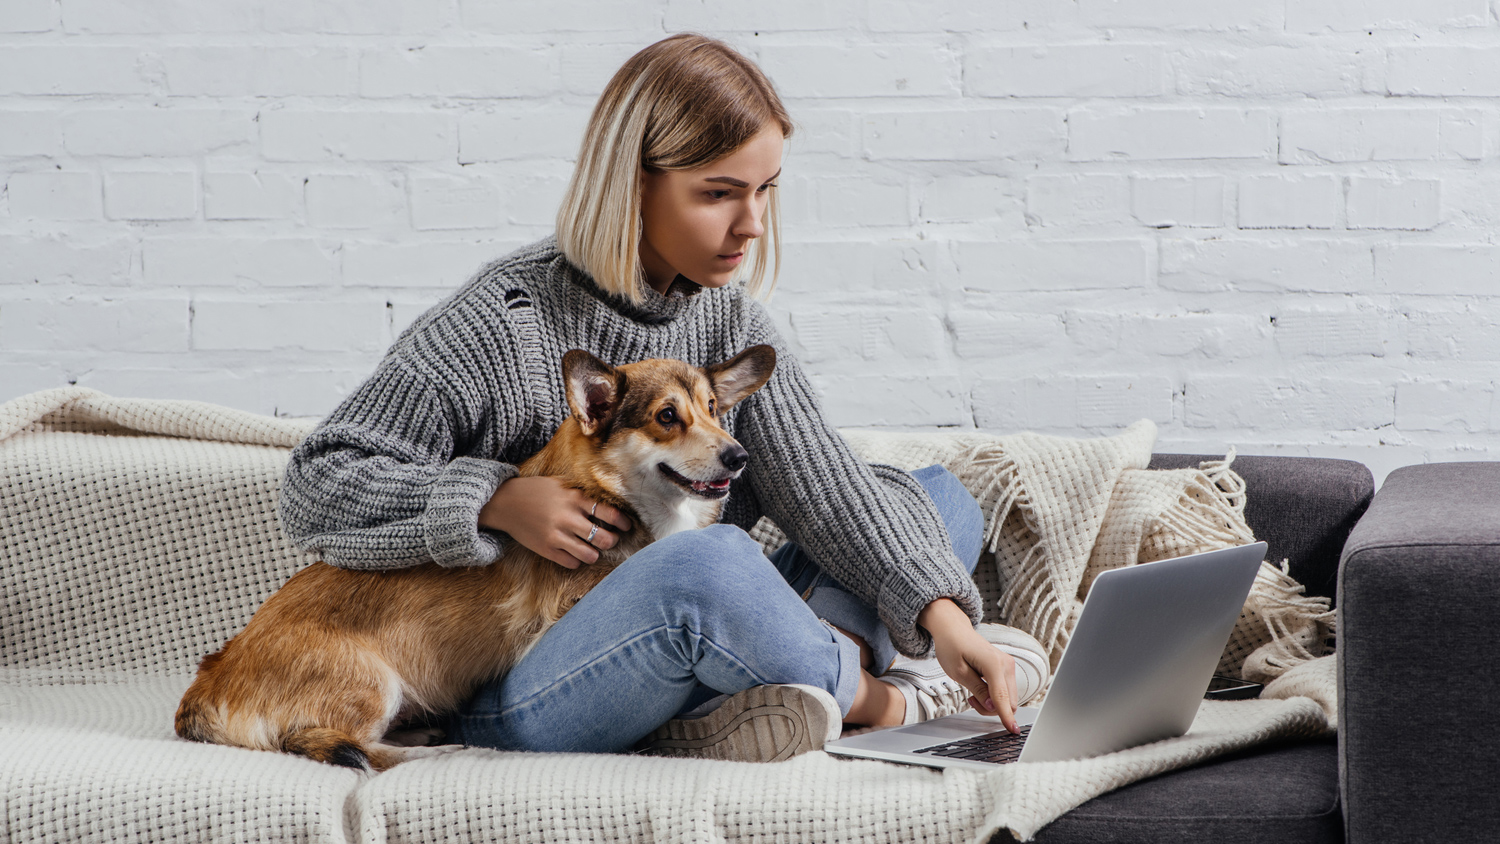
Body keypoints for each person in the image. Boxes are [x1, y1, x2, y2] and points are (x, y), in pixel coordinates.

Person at [276, 32, 1048, 763]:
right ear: (632, 184)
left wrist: (942, 618)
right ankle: (874, 699)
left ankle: (779, 677)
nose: (750, 225)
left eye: (765, 192)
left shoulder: (729, 317)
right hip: (519, 679)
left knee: (936, 500)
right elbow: (318, 484)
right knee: (710, 568)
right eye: (719, 193)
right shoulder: (499, 321)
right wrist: (499, 499)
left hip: (681, 621)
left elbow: (831, 492)